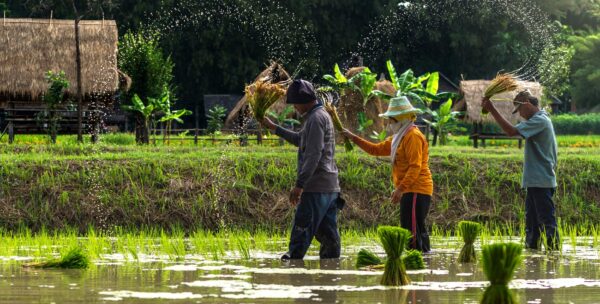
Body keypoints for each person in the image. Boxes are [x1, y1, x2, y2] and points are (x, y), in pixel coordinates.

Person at [261, 79, 342, 260]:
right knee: (329, 240)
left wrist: (300, 184)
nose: (295, 108)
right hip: (330, 188)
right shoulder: (319, 116)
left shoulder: (315, 119)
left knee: (300, 234)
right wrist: (274, 128)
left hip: (315, 187)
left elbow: (313, 154)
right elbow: (300, 140)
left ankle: (293, 272)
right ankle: (331, 279)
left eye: (295, 103)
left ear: (305, 100)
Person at [341, 96, 433, 252]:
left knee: (412, 232)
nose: (390, 124)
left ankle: (417, 265)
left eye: (391, 121)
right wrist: (352, 137)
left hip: (417, 189)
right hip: (409, 189)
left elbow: (415, 167)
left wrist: (400, 189)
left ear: (401, 119)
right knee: (413, 229)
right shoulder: (399, 137)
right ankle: (422, 261)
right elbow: (375, 149)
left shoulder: (413, 137)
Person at [482, 90, 559, 250]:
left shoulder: (541, 120)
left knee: (547, 223)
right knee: (532, 226)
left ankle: (554, 259)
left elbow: (511, 131)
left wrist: (492, 109)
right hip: (534, 181)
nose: (521, 115)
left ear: (527, 104)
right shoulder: (539, 120)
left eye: (520, 110)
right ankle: (533, 262)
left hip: (541, 181)